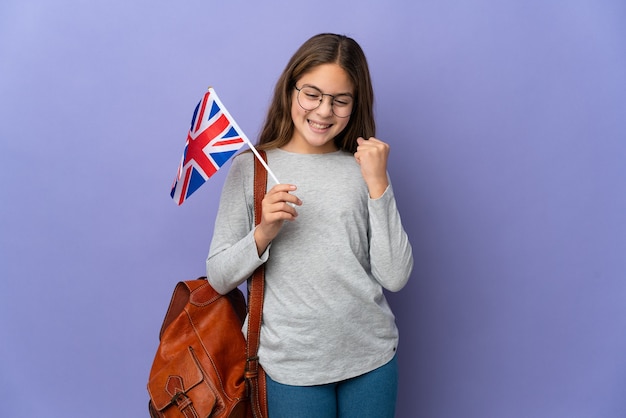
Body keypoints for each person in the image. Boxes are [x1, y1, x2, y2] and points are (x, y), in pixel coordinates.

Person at [207, 33, 413, 418]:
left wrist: (378, 185)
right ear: (291, 90)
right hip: (290, 366)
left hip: (372, 358)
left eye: (340, 100)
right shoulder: (250, 168)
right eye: (312, 94)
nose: (323, 111)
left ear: (356, 104)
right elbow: (219, 278)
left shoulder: (365, 168)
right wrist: (264, 231)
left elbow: (395, 276)